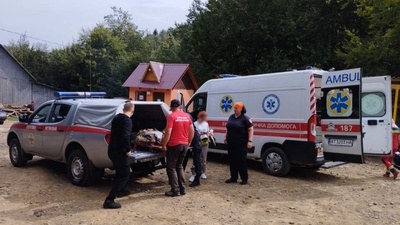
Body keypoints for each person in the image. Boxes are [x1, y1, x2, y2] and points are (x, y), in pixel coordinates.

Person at [103, 102, 135, 209]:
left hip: (112, 150)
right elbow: (125, 136)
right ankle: (109, 200)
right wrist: (128, 149)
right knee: (124, 174)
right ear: (132, 111)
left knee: (119, 171)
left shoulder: (116, 118)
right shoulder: (127, 121)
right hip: (120, 151)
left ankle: (121, 190)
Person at [162, 99, 194, 196]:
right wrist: (188, 142)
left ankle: (175, 190)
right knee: (179, 166)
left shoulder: (171, 116)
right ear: (180, 106)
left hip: (174, 145)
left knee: (171, 167)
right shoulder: (187, 116)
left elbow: (168, 132)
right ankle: (182, 189)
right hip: (184, 145)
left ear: (171, 107)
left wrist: (164, 144)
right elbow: (192, 131)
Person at [224, 102, 254, 185]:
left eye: (236, 108)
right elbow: (228, 128)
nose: (234, 109)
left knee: (241, 161)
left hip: (241, 144)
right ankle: (233, 177)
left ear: (241, 109)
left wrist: (250, 141)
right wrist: (226, 137)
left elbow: (250, 129)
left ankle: (244, 178)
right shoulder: (231, 117)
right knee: (232, 160)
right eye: (234, 108)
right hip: (231, 143)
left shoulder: (245, 118)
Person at [190, 111, 210, 182]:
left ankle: (203, 171)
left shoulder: (206, 124)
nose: (204, 118)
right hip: (197, 141)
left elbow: (208, 131)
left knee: (203, 157)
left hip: (204, 141)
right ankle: (193, 173)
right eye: (203, 117)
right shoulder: (195, 124)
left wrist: (208, 133)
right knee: (195, 157)